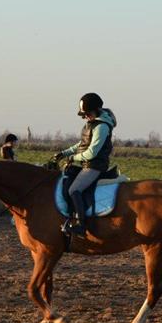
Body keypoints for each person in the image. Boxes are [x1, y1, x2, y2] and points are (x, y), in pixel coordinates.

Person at [52, 93, 116, 236]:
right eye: (84, 114)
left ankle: (81, 225)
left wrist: (73, 158)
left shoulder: (102, 126)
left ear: (97, 110)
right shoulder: (92, 123)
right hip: (86, 164)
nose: (85, 116)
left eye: (87, 113)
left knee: (74, 190)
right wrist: (64, 153)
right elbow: (82, 144)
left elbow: (92, 151)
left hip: (94, 166)